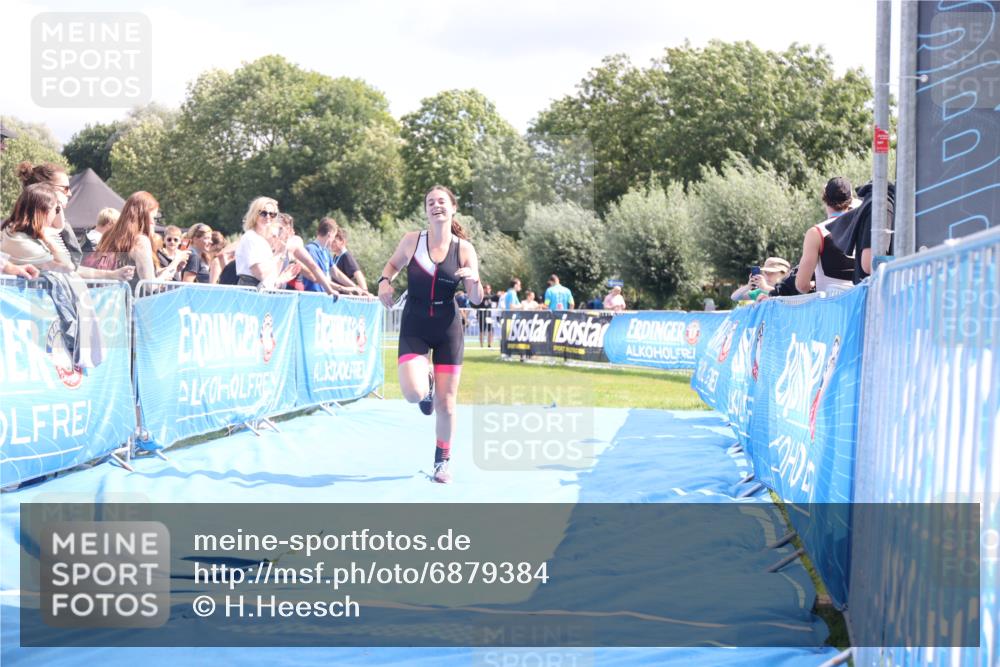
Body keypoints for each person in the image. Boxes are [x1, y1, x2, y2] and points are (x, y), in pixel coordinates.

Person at [378, 185, 484, 484]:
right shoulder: (413, 240)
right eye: (430, 202)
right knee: (414, 395)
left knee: (447, 404)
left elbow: (476, 299)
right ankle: (426, 384)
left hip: (447, 327)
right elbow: (392, 265)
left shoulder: (463, 249)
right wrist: (385, 281)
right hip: (415, 323)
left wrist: (473, 280)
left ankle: (442, 460)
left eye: (441, 202)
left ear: (453, 208)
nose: (436, 206)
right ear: (426, 210)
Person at [795, 177, 858, 294]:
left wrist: (812, 287)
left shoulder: (816, 233)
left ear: (824, 198)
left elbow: (801, 285)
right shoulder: (863, 229)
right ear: (850, 200)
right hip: (861, 303)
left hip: (832, 306)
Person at [16, 161, 83, 267]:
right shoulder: (24, 231)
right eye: (65, 188)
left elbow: (74, 271)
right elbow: (67, 268)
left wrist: (112, 274)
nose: (70, 193)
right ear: (46, 189)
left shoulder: (61, 229)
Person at [95, 191, 168, 288]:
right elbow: (149, 286)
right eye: (153, 218)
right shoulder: (140, 241)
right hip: (131, 300)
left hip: (109, 297)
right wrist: (164, 277)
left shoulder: (109, 235)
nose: (153, 223)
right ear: (144, 215)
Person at [301, 218, 363, 295]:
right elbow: (315, 277)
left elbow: (336, 273)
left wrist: (356, 287)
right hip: (314, 296)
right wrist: (343, 289)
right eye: (334, 236)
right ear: (329, 234)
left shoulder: (326, 252)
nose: (333, 240)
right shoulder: (310, 250)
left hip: (325, 297)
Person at [330, 227, 368, 293]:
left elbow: (358, 274)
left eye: (334, 241)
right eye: (331, 241)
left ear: (342, 242)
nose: (331, 244)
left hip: (345, 297)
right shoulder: (335, 256)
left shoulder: (346, 256)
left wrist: (364, 291)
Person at [475, 283, 495, 348]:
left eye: (489, 288)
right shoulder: (481, 296)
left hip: (489, 316)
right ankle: (481, 346)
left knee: (490, 330)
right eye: (486, 288)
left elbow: (495, 298)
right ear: (483, 289)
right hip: (482, 315)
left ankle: (489, 345)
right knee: (482, 331)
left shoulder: (490, 297)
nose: (488, 290)